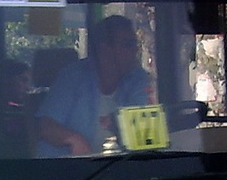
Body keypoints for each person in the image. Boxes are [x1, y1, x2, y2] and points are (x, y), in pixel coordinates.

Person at [36, 15, 154, 156]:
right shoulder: (73, 76)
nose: (135, 50)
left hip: (119, 168)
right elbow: (45, 126)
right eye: (128, 44)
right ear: (105, 49)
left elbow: (144, 131)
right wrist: (73, 139)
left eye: (136, 45)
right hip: (64, 171)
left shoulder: (137, 78)